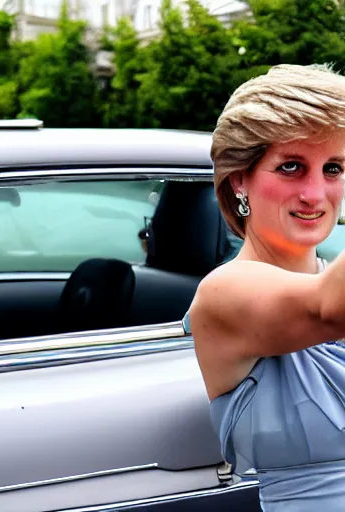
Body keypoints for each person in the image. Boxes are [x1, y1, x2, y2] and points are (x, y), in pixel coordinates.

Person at [186, 63, 345, 511]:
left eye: (333, 168)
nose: (315, 194)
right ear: (239, 179)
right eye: (292, 167)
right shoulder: (224, 292)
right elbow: (327, 310)